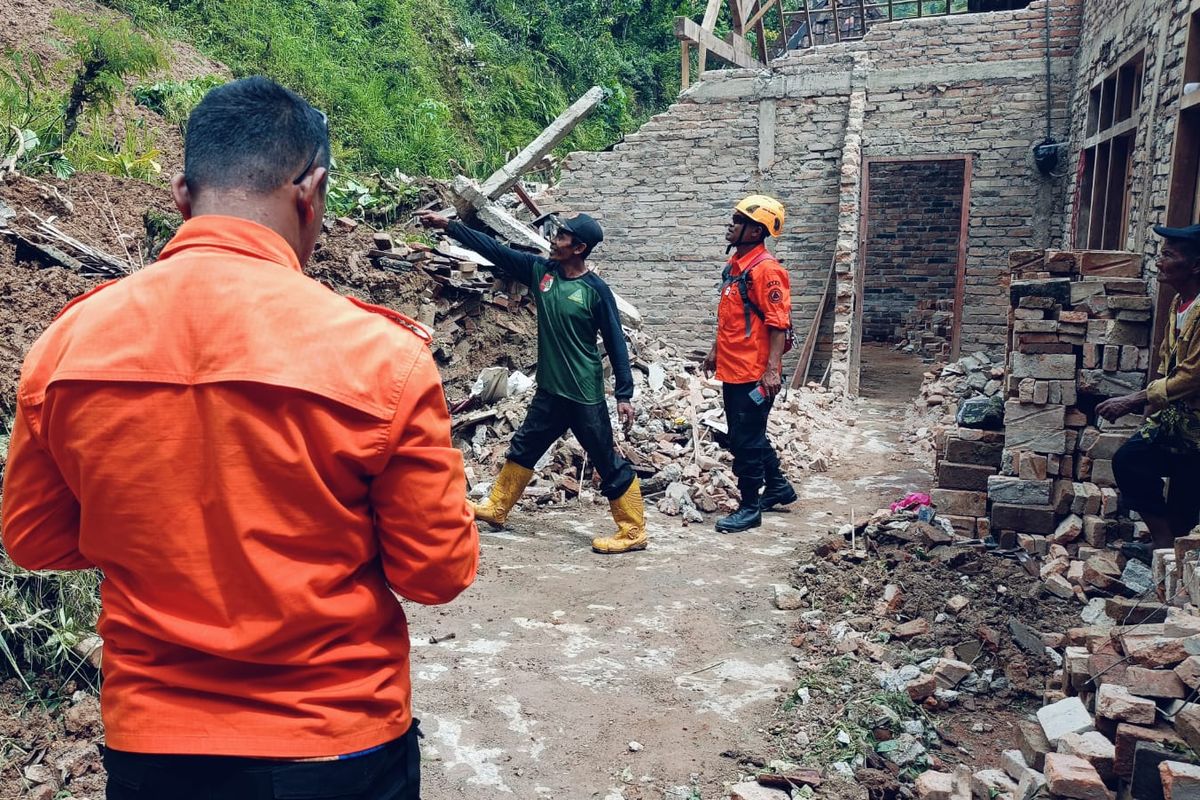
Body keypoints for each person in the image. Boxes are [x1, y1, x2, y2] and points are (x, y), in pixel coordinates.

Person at [1, 77, 478, 799]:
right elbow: (435, 575)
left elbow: (34, 540)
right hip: (338, 741)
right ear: (311, 190)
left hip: (156, 743)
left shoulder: (68, 346)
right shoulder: (383, 358)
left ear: (182, 195)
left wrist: (149, 531)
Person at [417, 209, 646, 555]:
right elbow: (496, 251)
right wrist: (449, 225)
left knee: (605, 459)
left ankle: (633, 530)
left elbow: (616, 342)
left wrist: (624, 394)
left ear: (580, 247)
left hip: (584, 394)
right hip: (551, 391)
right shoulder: (542, 272)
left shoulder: (595, 291)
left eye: (562, 236)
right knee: (525, 447)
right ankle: (497, 507)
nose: (554, 239)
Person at [1098, 223, 1200, 561]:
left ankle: (1171, 554)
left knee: (1183, 491)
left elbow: (1191, 376)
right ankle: (1165, 545)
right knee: (1132, 460)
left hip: (1196, 426)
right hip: (1178, 419)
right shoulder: (1178, 304)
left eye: (1168, 255)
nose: (1159, 261)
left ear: (1195, 265)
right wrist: (1150, 411)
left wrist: (1134, 399)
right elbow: (1166, 362)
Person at [703, 195, 797, 533]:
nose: (730, 225)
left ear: (756, 232)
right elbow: (730, 316)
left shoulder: (767, 271)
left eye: (737, 221)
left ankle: (748, 507)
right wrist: (715, 350)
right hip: (733, 367)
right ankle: (777, 487)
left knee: (745, 440)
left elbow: (778, 322)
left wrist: (771, 370)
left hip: (754, 374)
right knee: (749, 434)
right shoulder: (736, 267)